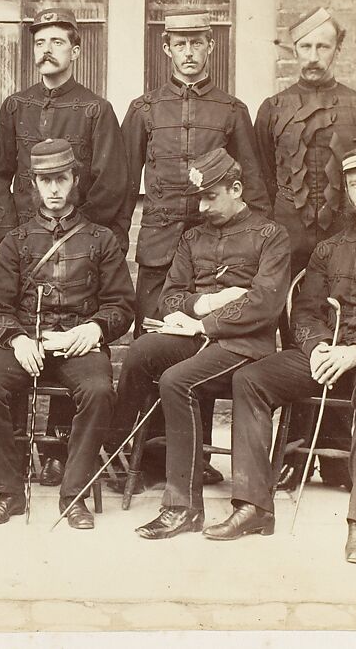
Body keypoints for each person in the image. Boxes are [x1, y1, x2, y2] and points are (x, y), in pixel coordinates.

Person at [205, 147, 356, 564]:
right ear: (346, 191)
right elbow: (307, 309)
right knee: (251, 379)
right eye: (355, 184)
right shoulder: (328, 250)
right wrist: (315, 347)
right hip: (329, 350)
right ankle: (253, 506)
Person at [120, 9, 270, 485]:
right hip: (160, 252)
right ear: (166, 49)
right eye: (179, 45)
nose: (188, 53)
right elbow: (123, 187)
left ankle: (194, 460)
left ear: (211, 47)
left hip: (215, 255)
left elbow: (255, 190)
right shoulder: (143, 110)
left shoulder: (231, 111)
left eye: (197, 44)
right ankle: (142, 459)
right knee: (153, 348)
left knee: (200, 351)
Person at [112, 148, 291, 540]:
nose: (203, 206)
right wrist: (209, 302)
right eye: (200, 198)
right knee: (143, 350)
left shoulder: (271, 236)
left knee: (176, 381)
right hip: (198, 335)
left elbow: (264, 302)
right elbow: (170, 296)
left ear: (237, 189)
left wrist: (204, 324)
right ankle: (120, 451)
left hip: (245, 346)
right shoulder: (193, 237)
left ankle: (183, 508)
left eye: (211, 196)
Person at [253, 6, 356, 488]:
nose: (313, 56)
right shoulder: (271, 109)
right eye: (305, 47)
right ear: (293, 50)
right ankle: (293, 453)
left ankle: (335, 455)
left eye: (323, 46)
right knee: (295, 342)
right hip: (287, 246)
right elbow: (261, 181)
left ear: (338, 48)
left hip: (346, 246)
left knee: (342, 334)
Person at [0, 139, 136, 530]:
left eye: (62, 178)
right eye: (46, 181)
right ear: (33, 185)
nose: (55, 189)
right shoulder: (18, 240)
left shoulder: (101, 239)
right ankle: (9, 491)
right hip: (28, 344)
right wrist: (17, 339)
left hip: (79, 346)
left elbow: (122, 305)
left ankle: (74, 493)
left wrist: (94, 327)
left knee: (99, 392)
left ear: (75, 179)